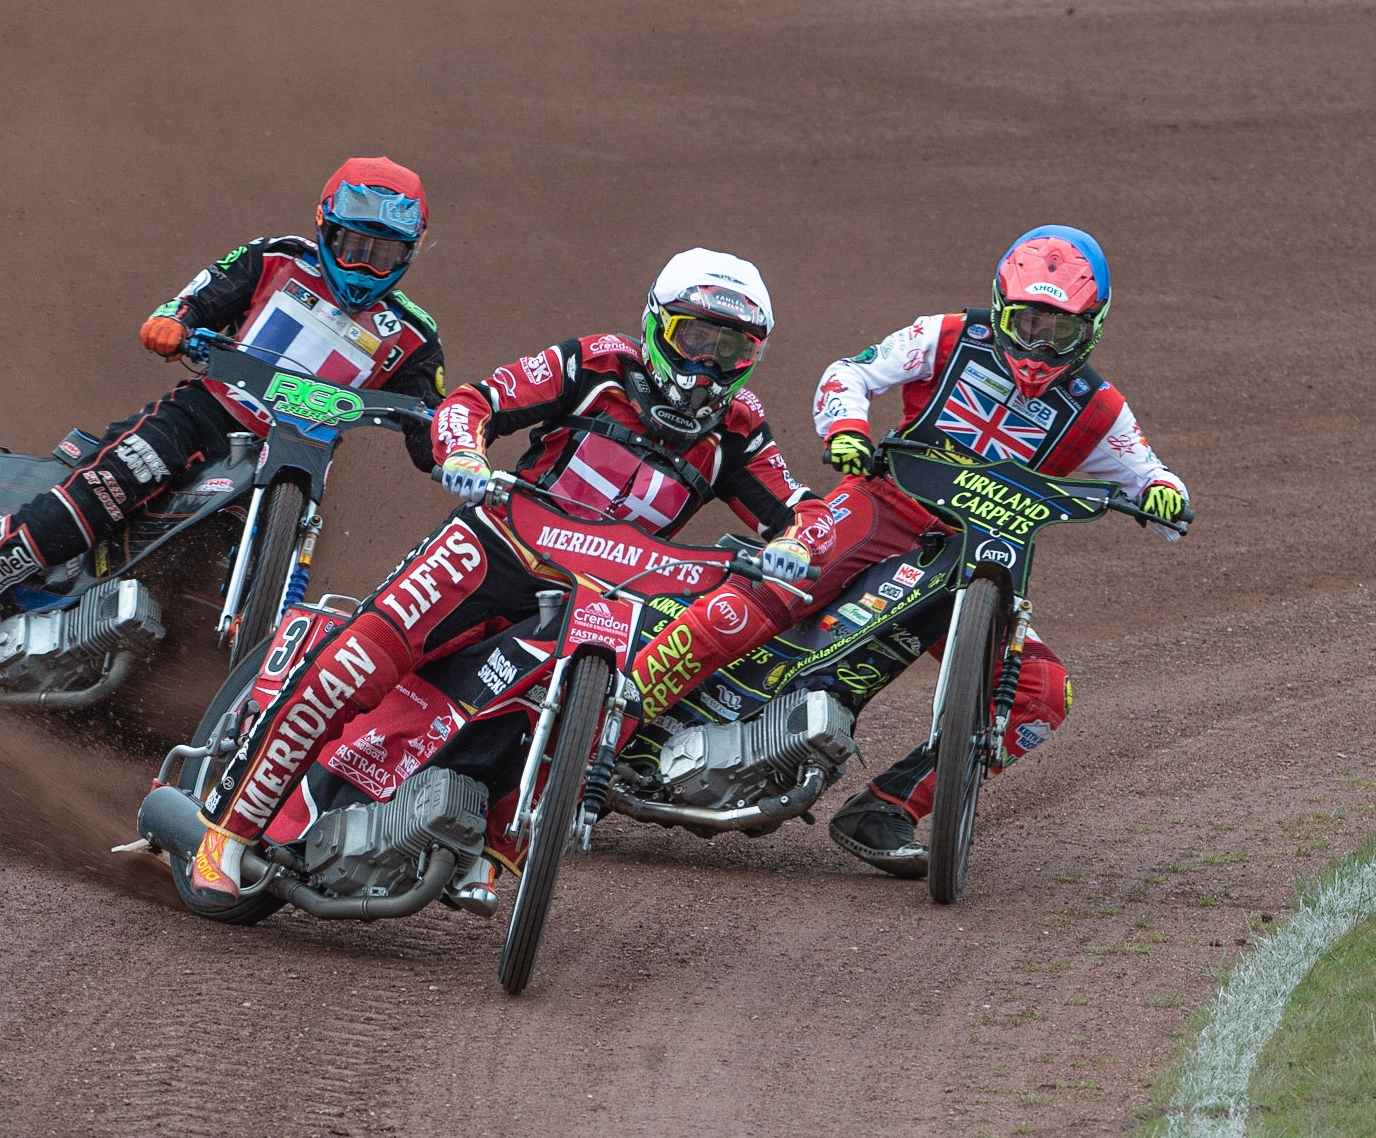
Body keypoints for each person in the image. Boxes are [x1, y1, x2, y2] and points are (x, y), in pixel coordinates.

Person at [184, 248, 837, 907]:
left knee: (576, 712)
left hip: (595, 597)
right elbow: (477, 401)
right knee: (354, 665)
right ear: (656, 326)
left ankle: (493, 845)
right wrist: (463, 451)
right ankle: (228, 832)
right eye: (693, 338)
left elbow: (805, 510)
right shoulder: (596, 363)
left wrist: (798, 545)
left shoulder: (741, 427)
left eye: (730, 350)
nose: (705, 366)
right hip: (494, 545)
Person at [0, 157, 446, 671]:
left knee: (284, 575)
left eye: (384, 255)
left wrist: (455, 448)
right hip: (203, 417)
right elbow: (197, 299)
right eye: (352, 247)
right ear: (325, 229)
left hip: (296, 464)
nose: (364, 266)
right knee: (103, 493)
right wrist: (174, 322)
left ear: (410, 254)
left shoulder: (415, 338)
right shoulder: (275, 258)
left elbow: (436, 427)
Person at [806, 224, 1190, 877]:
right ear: (1001, 305)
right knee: (771, 585)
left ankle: (885, 808)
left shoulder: (1098, 406)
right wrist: (846, 429)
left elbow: (1156, 481)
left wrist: (1164, 495)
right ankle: (628, 716)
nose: (1038, 342)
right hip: (882, 511)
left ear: (1091, 329)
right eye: (1027, 320)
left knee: (1042, 693)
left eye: (1060, 329)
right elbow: (851, 372)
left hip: (979, 560)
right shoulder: (947, 334)